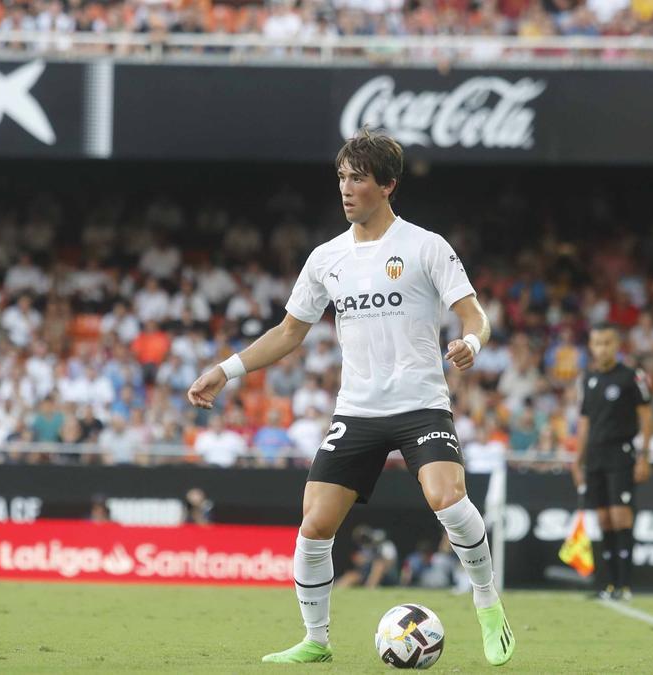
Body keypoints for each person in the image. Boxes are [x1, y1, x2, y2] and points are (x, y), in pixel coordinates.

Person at [187, 128, 513, 666]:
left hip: (419, 403)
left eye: (357, 178)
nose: (345, 188)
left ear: (386, 185)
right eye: (341, 177)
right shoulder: (326, 259)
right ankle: (316, 640)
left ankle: (485, 599)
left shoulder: (425, 246)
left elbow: (474, 313)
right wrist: (226, 370)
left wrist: (472, 341)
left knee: (446, 497)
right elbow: (289, 332)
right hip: (358, 409)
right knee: (315, 523)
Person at [571, 323, 653, 602]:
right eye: (597, 343)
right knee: (604, 518)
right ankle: (606, 584)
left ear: (617, 345)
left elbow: (646, 416)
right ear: (591, 347)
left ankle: (625, 584)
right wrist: (577, 459)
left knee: (621, 516)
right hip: (595, 455)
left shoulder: (632, 376)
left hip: (622, 452)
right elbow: (584, 422)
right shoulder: (588, 379)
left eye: (607, 342)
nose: (602, 348)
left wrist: (644, 455)